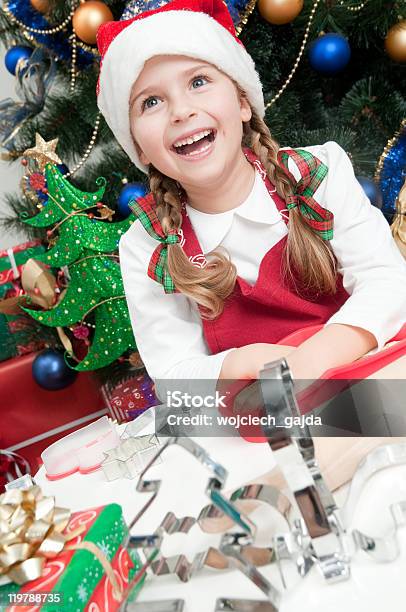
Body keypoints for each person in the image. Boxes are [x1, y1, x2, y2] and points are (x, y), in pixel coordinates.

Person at [96, 0, 406, 396]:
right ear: (138, 147)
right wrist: (240, 363)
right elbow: (174, 374)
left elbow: (387, 281)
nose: (181, 111)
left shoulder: (316, 176)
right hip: (269, 414)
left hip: (371, 377)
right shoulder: (148, 246)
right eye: (151, 102)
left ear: (243, 102)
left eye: (198, 82)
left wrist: (315, 356)